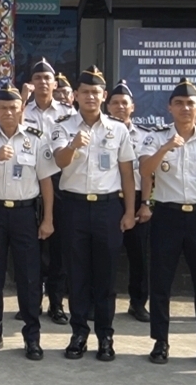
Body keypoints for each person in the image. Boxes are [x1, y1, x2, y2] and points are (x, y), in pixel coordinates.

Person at [138, 78, 196, 369]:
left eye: (190, 103)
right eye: (179, 103)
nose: (185, 108)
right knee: (161, 282)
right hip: (167, 216)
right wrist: (166, 148)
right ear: (170, 108)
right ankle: (160, 342)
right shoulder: (156, 137)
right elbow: (145, 171)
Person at [50, 65, 137, 362]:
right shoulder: (63, 126)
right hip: (73, 207)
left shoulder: (118, 128)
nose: (90, 96)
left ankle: (105, 336)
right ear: (75, 95)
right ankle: (78, 333)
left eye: (95, 92)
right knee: (77, 274)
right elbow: (60, 162)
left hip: (107, 208)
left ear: (103, 96)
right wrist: (74, 144)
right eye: (84, 92)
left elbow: (126, 173)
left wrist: (129, 211)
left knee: (106, 275)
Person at [0, 82, 57, 360]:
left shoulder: (36, 138)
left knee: (29, 276)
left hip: (24, 214)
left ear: (22, 110)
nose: (8, 112)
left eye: (13, 108)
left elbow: (46, 182)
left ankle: (32, 337)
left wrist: (48, 219)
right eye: (3, 108)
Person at [22, 58, 76, 324]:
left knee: (58, 247)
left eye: (47, 78)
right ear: (32, 83)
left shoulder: (68, 114)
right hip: (28, 182)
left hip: (58, 180)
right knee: (29, 246)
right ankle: (29, 301)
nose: (43, 82)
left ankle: (56, 303)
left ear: (55, 84)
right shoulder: (22, 110)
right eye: (38, 78)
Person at [105, 80, 151, 323]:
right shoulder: (101, 131)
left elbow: (147, 174)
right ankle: (100, 301)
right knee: (105, 254)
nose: (120, 107)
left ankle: (138, 302)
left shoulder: (145, 136)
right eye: (115, 103)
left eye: (125, 103)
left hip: (136, 201)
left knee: (139, 256)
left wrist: (145, 204)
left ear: (133, 107)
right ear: (108, 106)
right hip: (110, 202)